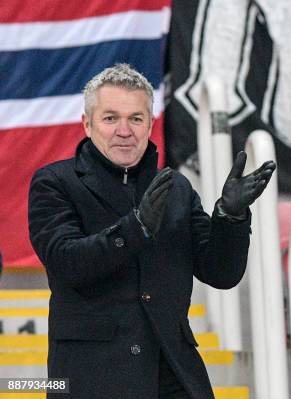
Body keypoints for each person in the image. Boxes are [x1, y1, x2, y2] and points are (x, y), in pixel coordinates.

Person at [28, 64, 276, 399]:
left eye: (135, 118)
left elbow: (220, 273)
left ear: (150, 125)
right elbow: (67, 262)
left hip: (173, 372)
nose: (124, 130)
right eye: (110, 118)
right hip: (91, 377)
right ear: (87, 124)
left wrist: (230, 217)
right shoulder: (55, 183)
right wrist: (136, 228)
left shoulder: (177, 188)